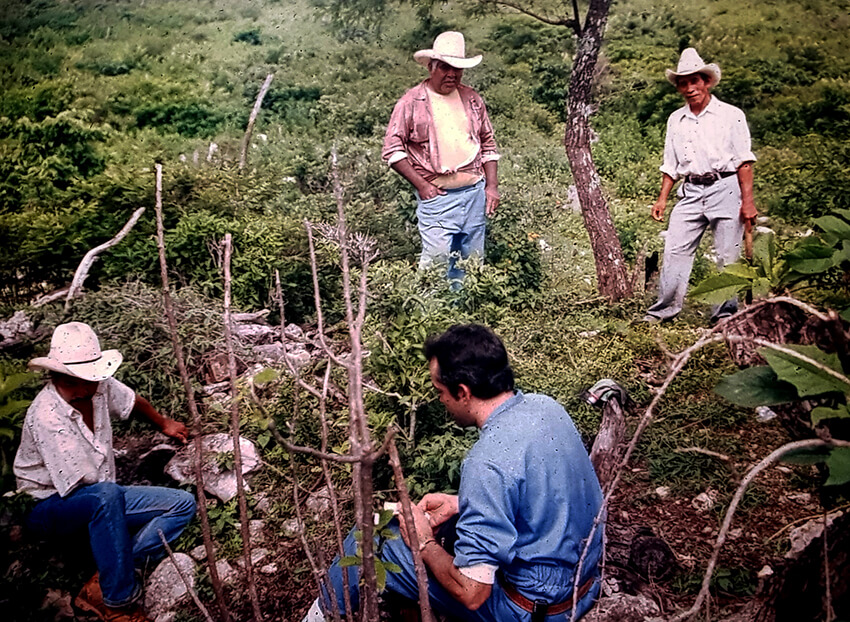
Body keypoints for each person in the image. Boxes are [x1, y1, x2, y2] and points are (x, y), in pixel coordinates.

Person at [303, 324, 603, 621]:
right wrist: (462, 504)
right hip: (582, 587)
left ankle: (319, 616)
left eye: (440, 392)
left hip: (531, 610)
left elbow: (473, 593)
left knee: (370, 536)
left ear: (462, 392)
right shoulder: (545, 407)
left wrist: (423, 542)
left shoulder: (486, 461)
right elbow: (547, 489)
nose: (441, 401)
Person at [13, 322, 196, 622]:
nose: (97, 382)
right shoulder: (47, 416)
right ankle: (118, 602)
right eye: (86, 377)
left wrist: (164, 423)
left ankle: (112, 571)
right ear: (67, 377)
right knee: (106, 496)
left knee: (182, 504)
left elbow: (132, 401)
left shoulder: (98, 387)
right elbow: (82, 487)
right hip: (48, 505)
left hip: (100, 495)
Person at [643, 48, 757, 324]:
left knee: (728, 254)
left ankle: (725, 315)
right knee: (674, 250)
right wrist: (662, 199)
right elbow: (670, 165)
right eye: (683, 83)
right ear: (679, 87)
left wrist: (748, 202)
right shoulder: (676, 119)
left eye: (695, 81)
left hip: (726, 187)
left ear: (706, 82)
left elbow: (744, 161)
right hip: (691, 191)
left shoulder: (731, 115)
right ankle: (663, 311)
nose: (690, 88)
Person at [382, 31, 501, 282]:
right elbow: (392, 149)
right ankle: (433, 316)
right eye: (445, 68)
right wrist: (423, 186)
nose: (452, 75)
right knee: (436, 263)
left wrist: (492, 186)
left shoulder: (472, 99)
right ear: (431, 67)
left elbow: (488, 143)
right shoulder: (411, 102)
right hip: (438, 198)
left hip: (474, 194)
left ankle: (465, 314)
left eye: (457, 69)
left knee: (472, 261)